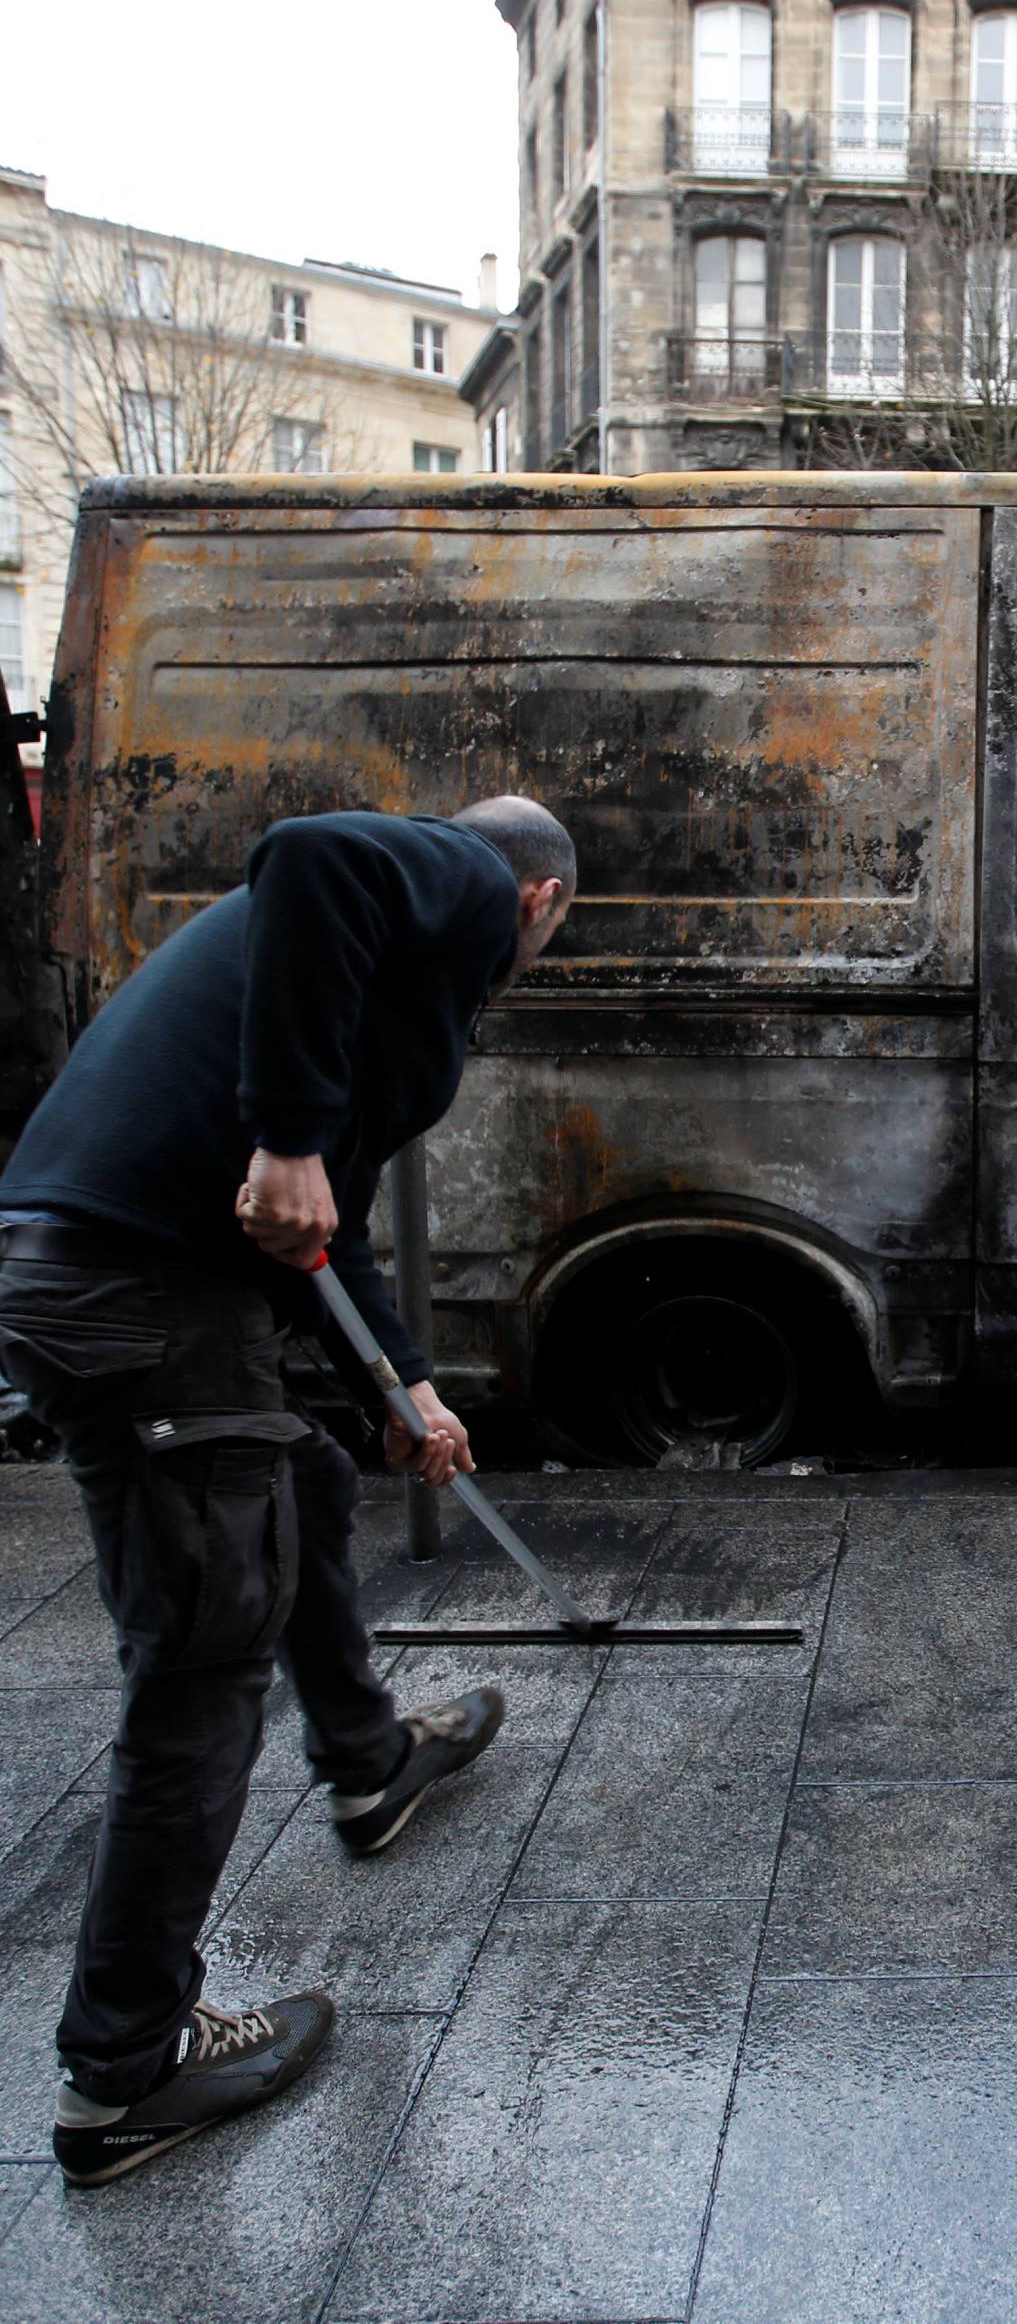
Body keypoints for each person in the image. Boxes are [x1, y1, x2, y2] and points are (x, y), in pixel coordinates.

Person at [0, 796, 575, 2187]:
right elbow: (312, 850)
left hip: (122, 1280)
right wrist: (290, 1134)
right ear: (542, 902)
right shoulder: (456, 876)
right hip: (140, 1295)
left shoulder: (364, 986)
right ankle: (126, 2068)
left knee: (305, 1480)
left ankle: (370, 1761)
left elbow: (331, 1233)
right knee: (201, 1665)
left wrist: (404, 1388)